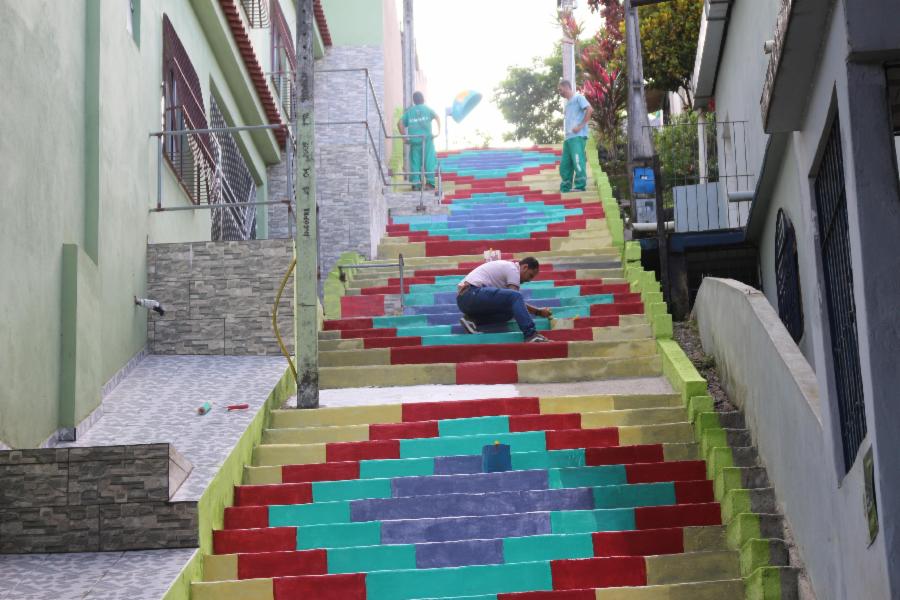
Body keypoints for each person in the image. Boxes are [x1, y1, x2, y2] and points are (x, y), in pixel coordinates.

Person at [456, 257, 553, 343]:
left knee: (509, 312)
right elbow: (514, 297)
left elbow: (512, 302)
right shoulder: (513, 269)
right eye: (530, 275)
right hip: (471, 293)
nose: (529, 280)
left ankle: (471, 320)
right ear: (524, 267)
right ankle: (531, 334)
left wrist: (538, 312)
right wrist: (538, 312)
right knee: (515, 296)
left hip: (464, 300)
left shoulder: (508, 270)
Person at [398, 91, 439, 191]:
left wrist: (404, 138)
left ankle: (416, 184)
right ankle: (430, 183)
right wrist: (438, 132)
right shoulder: (427, 109)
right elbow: (437, 117)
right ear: (423, 99)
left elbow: (399, 123)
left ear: (414, 101)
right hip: (427, 140)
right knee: (429, 161)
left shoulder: (410, 112)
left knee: (415, 162)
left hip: (415, 140)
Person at [557, 80, 594, 193]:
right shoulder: (567, 104)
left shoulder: (578, 98)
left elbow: (590, 109)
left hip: (578, 137)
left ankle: (580, 186)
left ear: (567, 87)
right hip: (568, 139)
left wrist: (581, 125)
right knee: (564, 164)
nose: (559, 92)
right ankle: (565, 187)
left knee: (578, 161)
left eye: (560, 89)